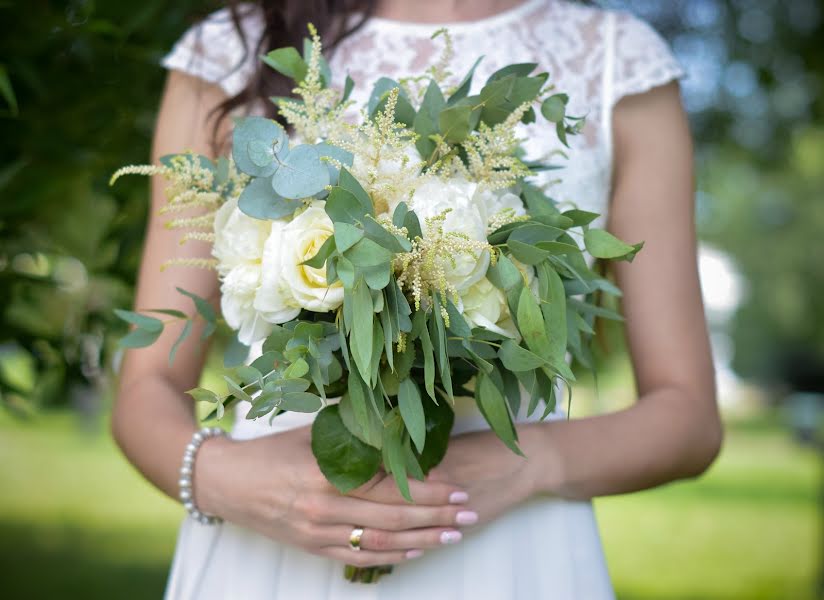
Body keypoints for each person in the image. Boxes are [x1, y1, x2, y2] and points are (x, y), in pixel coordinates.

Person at [112, 0, 723, 598]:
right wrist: (226, 479)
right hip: (269, 540)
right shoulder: (231, 45)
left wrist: (525, 463)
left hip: (504, 544)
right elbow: (146, 389)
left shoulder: (617, 59)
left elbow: (688, 417)